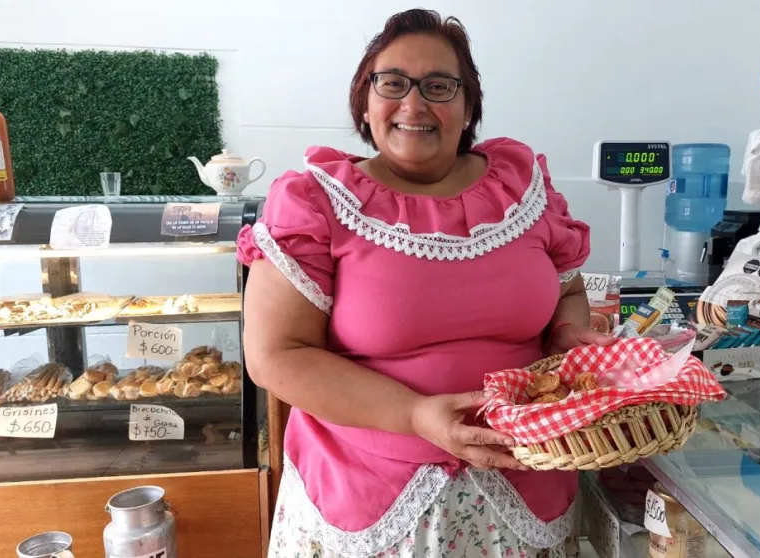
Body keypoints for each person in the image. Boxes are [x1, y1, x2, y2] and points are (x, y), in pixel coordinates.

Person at [238, 8, 612, 557]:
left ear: (468, 107)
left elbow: (568, 288)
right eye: (392, 83)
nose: (414, 105)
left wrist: (561, 335)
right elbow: (276, 356)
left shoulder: (521, 189)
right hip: (369, 504)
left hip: (525, 493)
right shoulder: (316, 202)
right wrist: (414, 415)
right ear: (364, 102)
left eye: (439, 86)